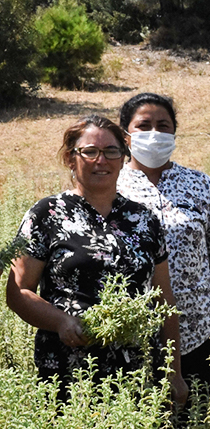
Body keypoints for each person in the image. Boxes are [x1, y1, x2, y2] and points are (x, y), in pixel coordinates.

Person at [6, 115, 188, 405]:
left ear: (122, 157)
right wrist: (61, 322)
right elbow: (18, 291)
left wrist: (173, 372)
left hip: (137, 374)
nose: (101, 160)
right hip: (67, 373)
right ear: (70, 158)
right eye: (90, 152)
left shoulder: (143, 219)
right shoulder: (46, 214)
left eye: (111, 151)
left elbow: (164, 301)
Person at [117, 93, 210, 415]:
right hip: (127, 340)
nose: (154, 134)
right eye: (144, 126)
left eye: (163, 126)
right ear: (125, 136)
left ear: (174, 133)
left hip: (197, 335)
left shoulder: (200, 185)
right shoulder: (111, 186)